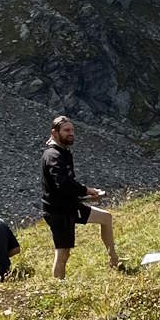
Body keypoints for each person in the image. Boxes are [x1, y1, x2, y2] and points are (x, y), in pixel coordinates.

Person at [40, 116, 121, 279]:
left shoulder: (63, 152)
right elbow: (62, 185)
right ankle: (57, 288)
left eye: (72, 130)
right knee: (63, 252)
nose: (71, 134)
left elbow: (66, 185)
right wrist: (86, 190)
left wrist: (86, 195)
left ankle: (114, 260)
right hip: (58, 212)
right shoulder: (53, 156)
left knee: (106, 218)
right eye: (67, 131)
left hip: (71, 206)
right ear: (54, 133)